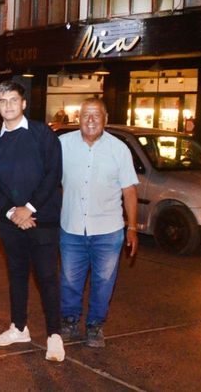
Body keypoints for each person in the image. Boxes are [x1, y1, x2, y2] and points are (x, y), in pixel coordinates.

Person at [0, 80, 65, 362]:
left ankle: (54, 334)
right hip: (10, 223)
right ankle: (19, 327)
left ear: (24, 103)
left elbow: (53, 175)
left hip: (44, 220)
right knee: (16, 275)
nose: (8, 106)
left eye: (13, 100)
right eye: (3, 101)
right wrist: (12, 213)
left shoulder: (44, 135)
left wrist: (28, 209)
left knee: (47, 277)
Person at [58, 98, 139, 348]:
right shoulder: (62, 145)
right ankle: (70, 321)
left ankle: (95, 326)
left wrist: (133, 227)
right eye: (86, 115)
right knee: (70, 280)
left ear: (105, 119)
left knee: (103, 282)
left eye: (96, 115)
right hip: (71, 228)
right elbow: (47, 180)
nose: (91, 120)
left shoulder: (119, 149)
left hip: (108, 230)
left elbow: (129, 192)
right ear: (78, 119)